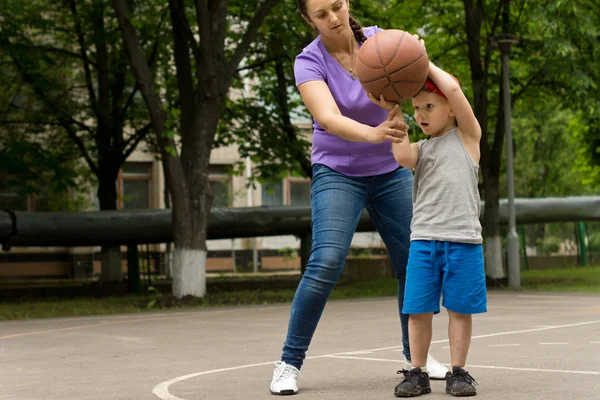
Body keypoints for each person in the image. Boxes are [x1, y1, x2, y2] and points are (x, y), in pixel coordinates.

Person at [269, 0, 448, 395]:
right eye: (321, 14)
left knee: (414, 260)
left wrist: (418, 57)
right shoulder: (308, 62)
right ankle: (288, 363)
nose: (333, 17)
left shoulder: (383, 44)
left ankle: (415, 358)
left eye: (337, 6)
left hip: (389, 172)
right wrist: (374, 135)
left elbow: (425, 88)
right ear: (307, 19)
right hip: (337, 171)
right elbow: (328, 119)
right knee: (327, 260)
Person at [383, 61, 487, 397]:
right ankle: (417, 372)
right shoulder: (421, 150)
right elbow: (400, 155)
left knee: (459, 310)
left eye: (429, 106)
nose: (421, 114)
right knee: (417, 311)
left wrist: (420, 61)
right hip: (424, 242)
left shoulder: (469, 139)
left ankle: (458, 373)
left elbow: (454, 90)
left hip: (463, 241)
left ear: (452, 111)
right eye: (417, 108)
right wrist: (395, 110)